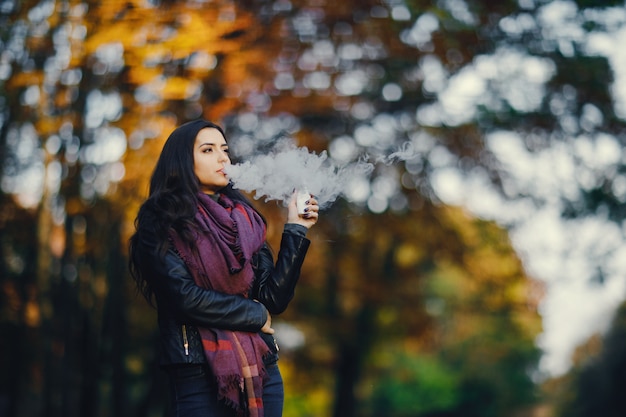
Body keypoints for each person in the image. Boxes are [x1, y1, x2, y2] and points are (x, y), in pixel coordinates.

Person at [128, 119, 318, 417]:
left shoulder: (245, 222)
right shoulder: (161, 221)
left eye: (225, 150)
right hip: (197, 374)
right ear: (181, 161)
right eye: (208, 150)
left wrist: (296, 228)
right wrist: (255, 315)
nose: (222, 158)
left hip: (262, 372)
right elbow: (185, 298)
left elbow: (274, 299)